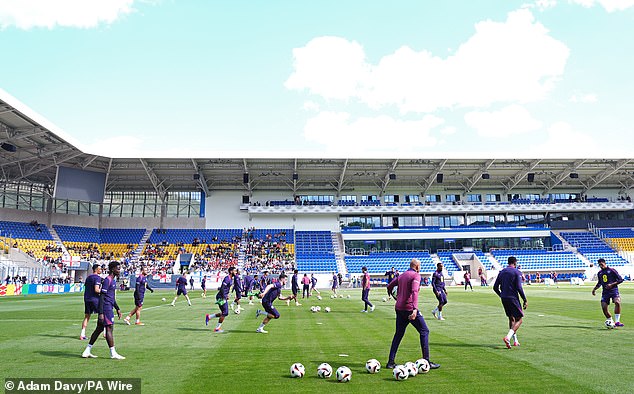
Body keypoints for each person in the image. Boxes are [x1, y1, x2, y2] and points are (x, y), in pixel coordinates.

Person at [386, 259, 440, 370]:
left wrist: (395, 296)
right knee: (424, 331)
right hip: (409, 308)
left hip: (399, 308)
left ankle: (390, 362)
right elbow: (415, 291)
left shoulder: (402, 275)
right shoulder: (415, 276)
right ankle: (426, 361)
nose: (420, 268)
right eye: (420, 266)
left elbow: (389, 286)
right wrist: (415, 309)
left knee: (398, 334)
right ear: (416, 266)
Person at [81, 261, 125, 359]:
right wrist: (101, 313)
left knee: (99, 329)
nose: (119, 270)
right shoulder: (107, 280)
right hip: (106, 308)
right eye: (118, 268)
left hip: (109, 306)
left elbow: (111, 297)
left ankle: (87, 350)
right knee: (109, 328)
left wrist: (117, 308)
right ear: (113, 269)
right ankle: (113, 353)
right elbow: (102, 297)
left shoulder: (112, 281)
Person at [493, 256, 528, 349]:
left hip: (504, 298)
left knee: (511, 318)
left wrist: (501, 295)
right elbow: (519, 288)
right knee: (519, 319)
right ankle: (508, 337)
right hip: (513, 298)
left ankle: (515, 341)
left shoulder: (502, 272)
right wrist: (524, 299)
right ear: (515, 262)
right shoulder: (517, 272)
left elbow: (495, 287)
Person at [592, 258, 624, 327]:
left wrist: (611, 284)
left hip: (614, 291)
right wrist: (594, 289)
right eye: (599, 265)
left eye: (602, 264)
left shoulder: (612, 270)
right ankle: (610, 321)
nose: (601, 266)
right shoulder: (600, 273)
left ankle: (617, 321)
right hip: (605, 292)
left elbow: (621, 280)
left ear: (604, 263)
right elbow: (599, 282)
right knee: (604, 307)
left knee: (617, 302)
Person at [206, 267, 236, 333]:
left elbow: (226, 289)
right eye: (235, 271)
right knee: (225, 312)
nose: (236, 272)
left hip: (223, 296)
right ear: (231, 271)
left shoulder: (231, 279)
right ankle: (217, 329)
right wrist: (224, 296)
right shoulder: (227, 278)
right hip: (221, 297)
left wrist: (226, 295)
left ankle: (209, 317)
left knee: (224, 312)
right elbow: (222, 288)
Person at [81, 263, 102, 340]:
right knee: (102, 315)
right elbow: (96, 290)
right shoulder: (97, 278)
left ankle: (82, 334)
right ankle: (106, 333)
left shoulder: (88, 277)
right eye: (100, 269)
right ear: (96, 270)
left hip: (87, 298)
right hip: (95, 299)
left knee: (87, 316)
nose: (101, 270)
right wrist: (103, 292)